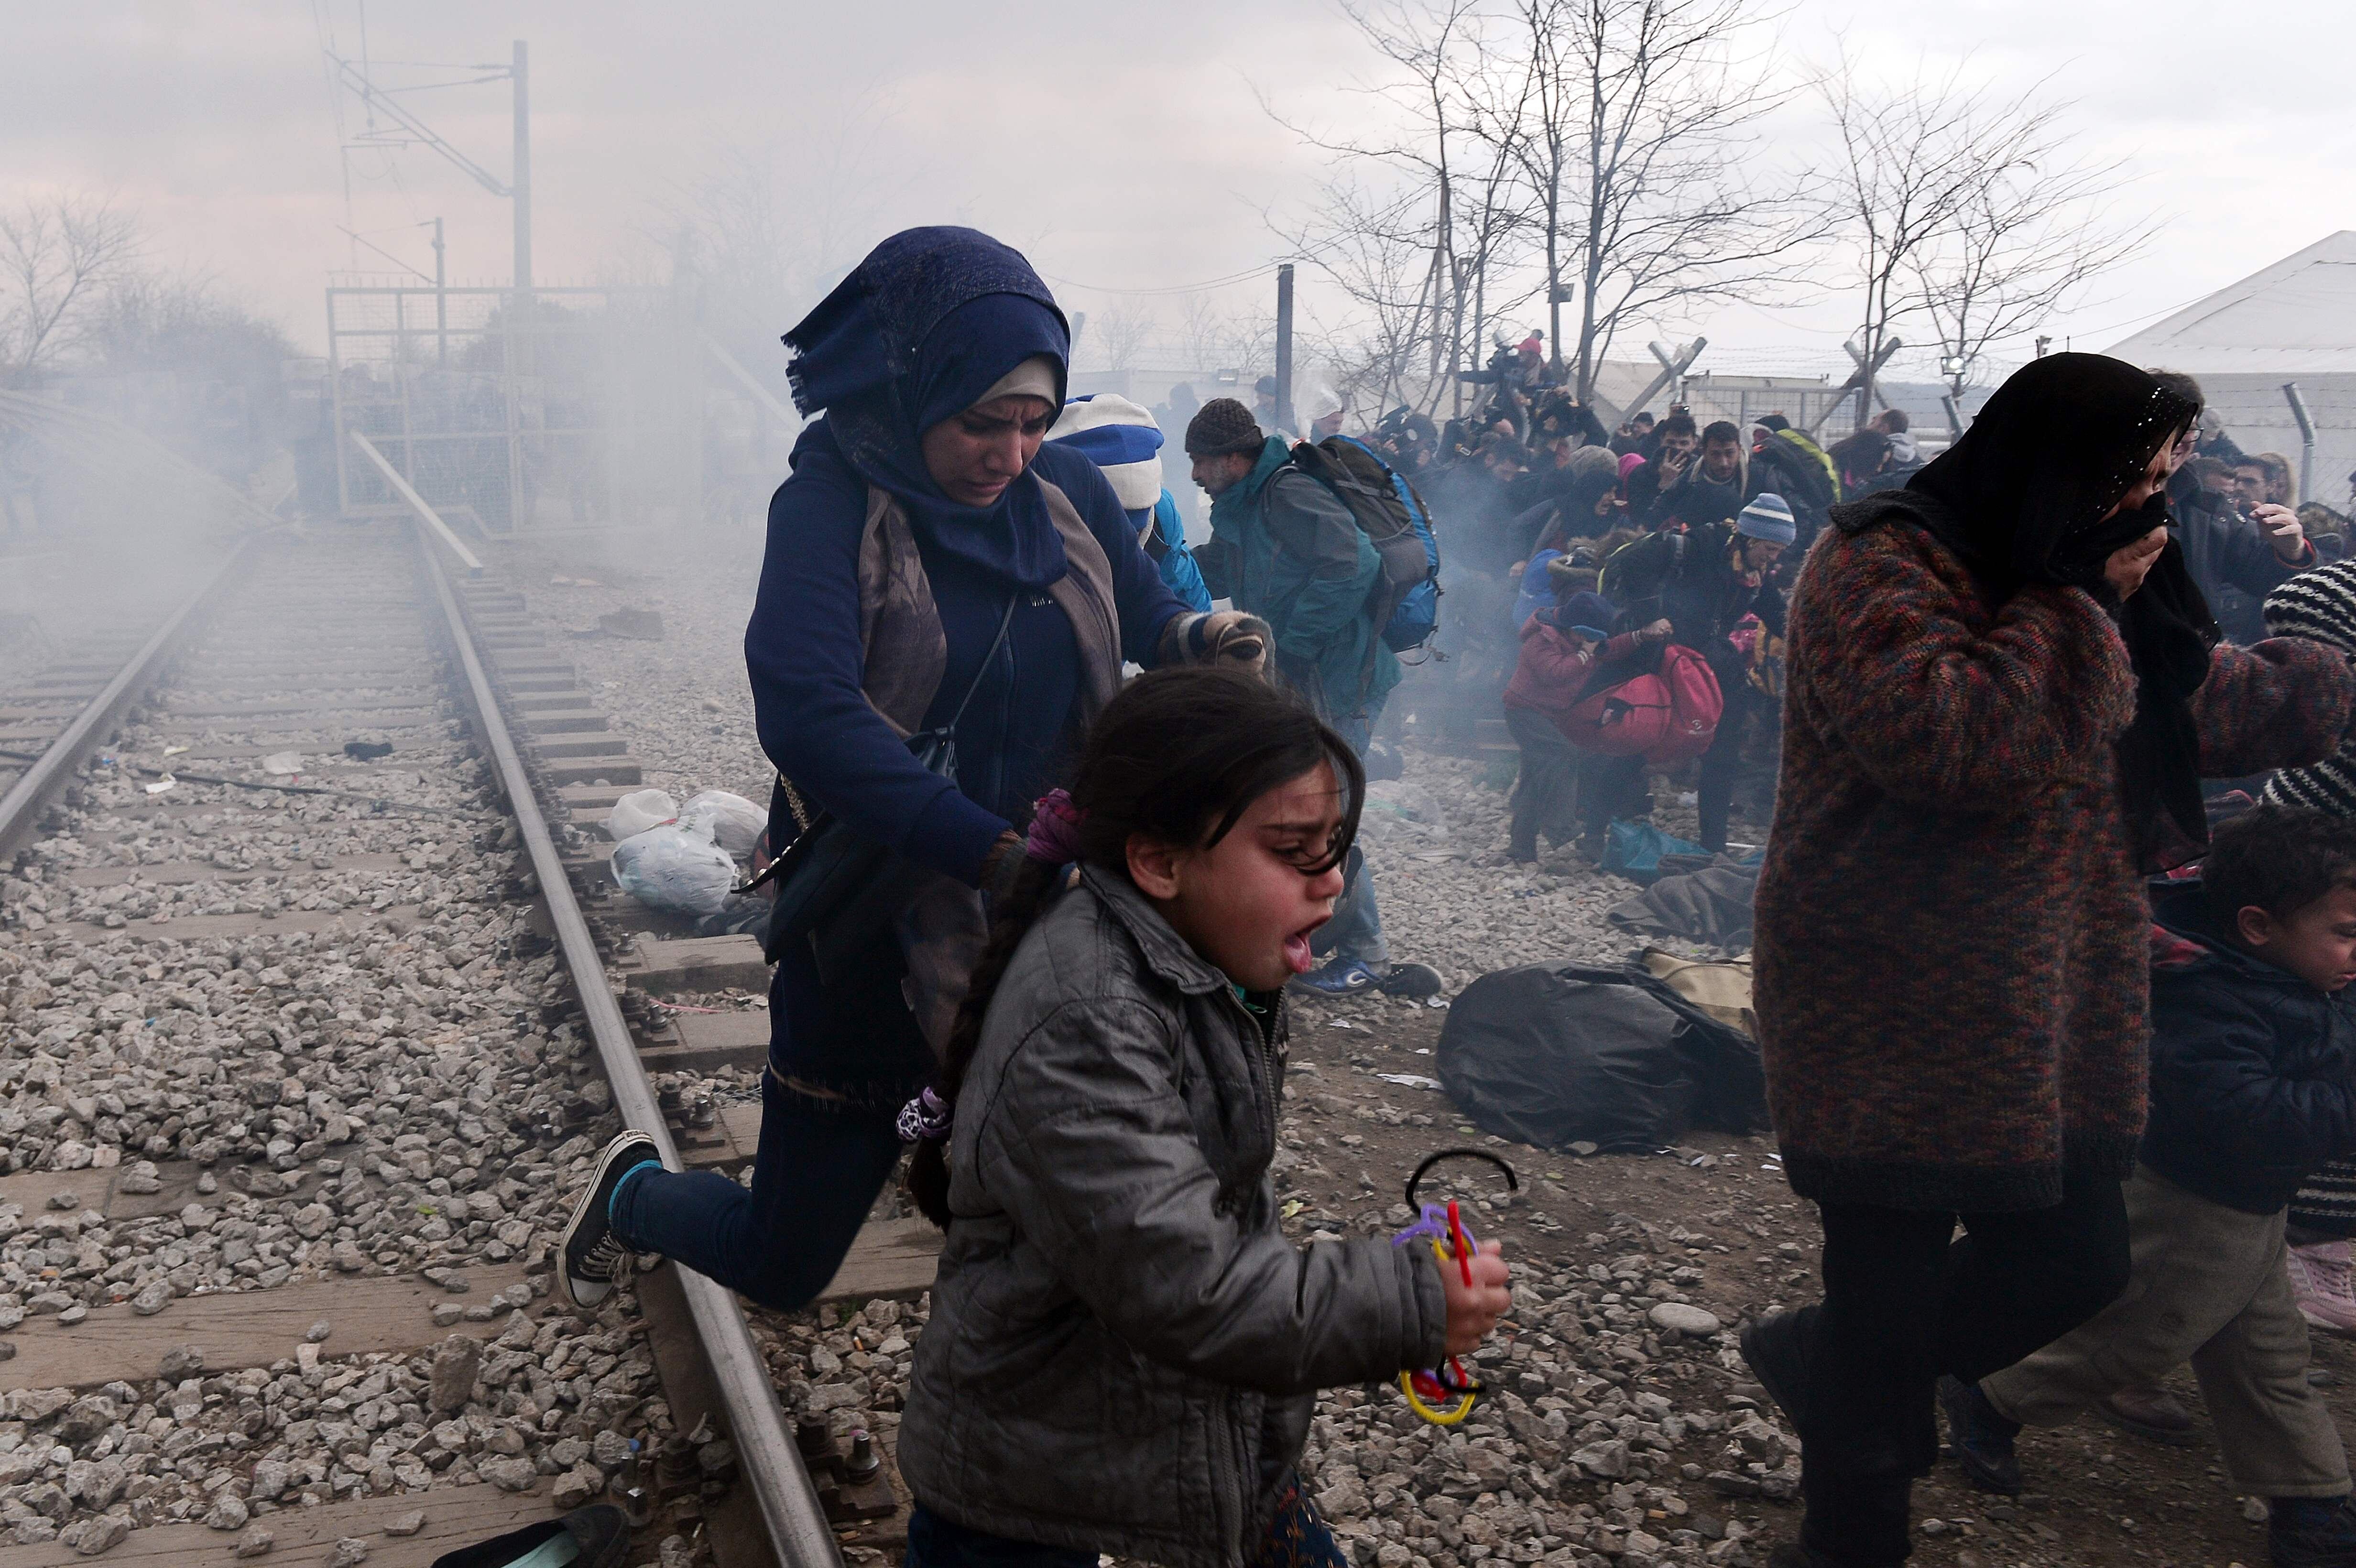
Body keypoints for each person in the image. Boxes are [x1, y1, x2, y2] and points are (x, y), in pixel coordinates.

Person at [554, 227, 1268, 1315]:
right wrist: (986, 848)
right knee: (784, 1262)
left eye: (1033, 422)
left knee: (1050, 1195)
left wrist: (1193, 639)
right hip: (876, 923)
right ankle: (635, 1196)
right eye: (982, 422)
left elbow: (1141, 607)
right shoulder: (831, 503)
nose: (1011, 453)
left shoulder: (1065, 489)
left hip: (1044, 913)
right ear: (911, 388)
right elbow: (809, 713)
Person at [1743, 353, 2355, 1568]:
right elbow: (1960, 739)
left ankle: (1825, 1356)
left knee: (2075, 1259)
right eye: (2136, 473)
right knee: (1888, 1288)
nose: (2152, 502)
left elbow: (2192, 702)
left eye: (2167, 476)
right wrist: (2075, 599)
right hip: (1886, 991)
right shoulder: (1885, 557)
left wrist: (2317, 679)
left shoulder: (2091, 568)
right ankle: (1845, 1540)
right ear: (2056, 462)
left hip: (2047, 993)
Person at [894, 666, 1512, 1568]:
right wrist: (1411, 1302)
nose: (1333, 884)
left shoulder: (1189, 952)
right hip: (1026, 1486)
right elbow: (1190, 1285)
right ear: (1159, 862)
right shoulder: (1088, 1018)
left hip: (1166, 1414)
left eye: (1335, 847)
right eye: (1293, 850)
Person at [1939, 804, 2356, 1568]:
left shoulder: (2300, 975)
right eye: (2346, 933)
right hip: (2196, 1206)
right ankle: (1995, 1395)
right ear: (2258, 926)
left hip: (2255, 1205)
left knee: (2268, 1356)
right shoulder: (2207, 995)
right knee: (2137, 1340)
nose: (2355, 952)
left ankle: (2312, 1501)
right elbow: (2247, 1117)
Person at [1187, 396, 1404, 997]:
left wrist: (1298, 645)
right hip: (1307, 681)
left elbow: (1353, 564)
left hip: (1341, 682)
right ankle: (1301, 935)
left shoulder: (1286, 493)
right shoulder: (1244, 505)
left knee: (1326, 813)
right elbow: (1225, 571)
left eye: (1201, 461)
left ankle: (1367, 952)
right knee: (1309, 808)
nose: (1195, 474)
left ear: (1233, 458)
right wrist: (1156, 561)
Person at [1503, 588, 1671, 861]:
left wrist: (1641, 636)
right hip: (1524, 712)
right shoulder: (1542, 640)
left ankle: (1521, 847)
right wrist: (1585, 655)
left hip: (1549, 715)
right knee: (1562, 756)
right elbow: (1555, 674)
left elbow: (1611, 649)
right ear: (1576, 629)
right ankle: (1560, 826)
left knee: (1535, 778)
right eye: (1590, 636)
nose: (1594, 642)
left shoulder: (1582, 643)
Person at [2151, 372, 2313, 643]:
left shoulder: (2205, 508)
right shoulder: (2097, 505)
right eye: (2167, 426)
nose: (2179, 440)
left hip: (2190, 660)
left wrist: (2292, 551)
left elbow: (2264, 579)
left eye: (2189, 429)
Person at [1047, 393, 1213, 612]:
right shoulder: (1032, 518)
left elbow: (1188, 597)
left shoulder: (1162, 519)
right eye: (1107, 527)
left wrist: (1202, 629)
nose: (1121, 543)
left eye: (1134, 531)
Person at [1643, 419, 1747, 530]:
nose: (1724, 463)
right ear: (1704, 452)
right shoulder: (1692, 475)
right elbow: (1664, 505)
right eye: (1715, 454)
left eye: (1730, 454)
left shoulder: (1755, 476)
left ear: (1739, 449)